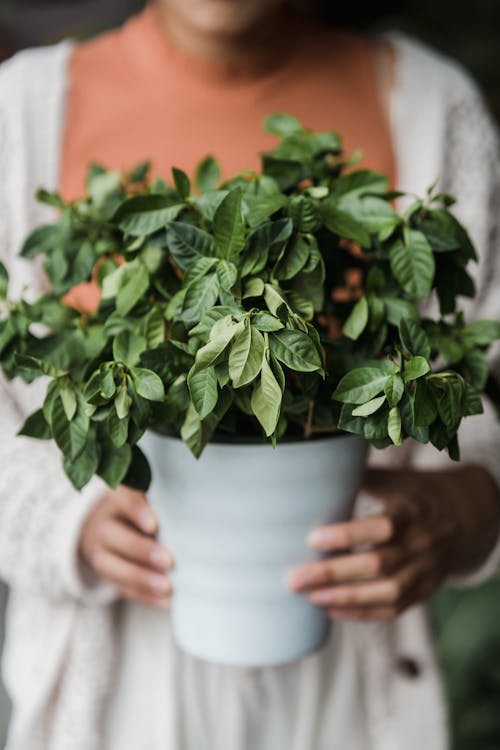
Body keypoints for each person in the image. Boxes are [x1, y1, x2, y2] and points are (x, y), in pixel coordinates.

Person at [0, 1, 499, 748]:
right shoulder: (19, 112)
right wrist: (68, 521)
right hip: (110, 692)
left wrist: (461, 508)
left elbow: (485, 386)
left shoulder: (435, 108)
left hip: (350, 690)